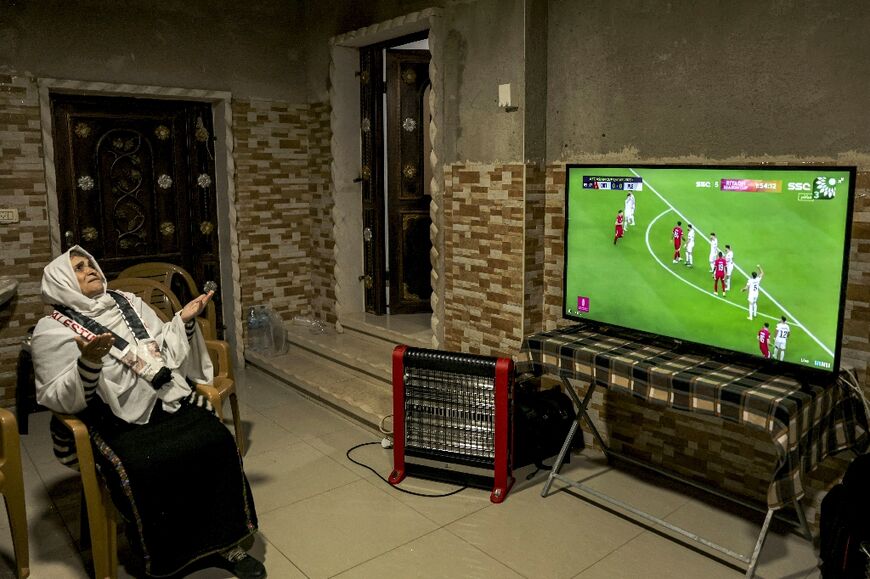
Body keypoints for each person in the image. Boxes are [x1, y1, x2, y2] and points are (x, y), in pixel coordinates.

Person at [31, 247, 265, 579]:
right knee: (149, 462)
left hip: (162, 398)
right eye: (78, 269)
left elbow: (162, 352)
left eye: (89, 264)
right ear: (62, 283)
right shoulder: (52, 331)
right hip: (109, 417)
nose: (89, 270)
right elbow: (55, 395)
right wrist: (88, 363)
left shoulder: (129, 303)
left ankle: (226, 542)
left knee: (215, 440)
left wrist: (182, 320)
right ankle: (168, 556)